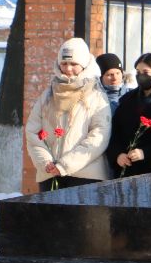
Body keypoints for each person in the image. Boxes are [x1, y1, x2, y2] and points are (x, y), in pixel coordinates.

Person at [25, 38, 111, 191]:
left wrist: (66, 165)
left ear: (84, 65)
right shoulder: (48, 94)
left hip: (85, 176)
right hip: (50, 173)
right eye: (64, 64)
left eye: (74, 64)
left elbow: (99, 135)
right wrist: (45, 161)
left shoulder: (96, 95)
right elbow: (32, 131)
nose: (68, 69)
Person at [106, 53, 151, 177]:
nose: (141, 76)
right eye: (138, 72)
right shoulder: (127, 100)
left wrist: (145, 153)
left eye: (146, 72)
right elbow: (115, 133)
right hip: (127, 169)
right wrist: (118, 155)